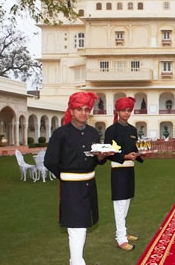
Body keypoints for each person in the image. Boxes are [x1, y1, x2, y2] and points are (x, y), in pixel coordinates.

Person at [44, 92, 111, 265]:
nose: (83, 113)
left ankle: (75, 260)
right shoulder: (61, 134)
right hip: (71, 187)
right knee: (76, 227)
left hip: (90, 185)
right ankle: (77, 261)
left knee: (83, 224)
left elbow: (96, 161)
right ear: (71, 111)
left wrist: (101, 157)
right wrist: (66, 177)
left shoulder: (93, 133)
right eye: (79, 109)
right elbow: (50, 161)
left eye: (87, 109)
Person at [104, 97, 145, 251]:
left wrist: (142, 155)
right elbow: (108, 153)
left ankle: (124, 232)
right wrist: (124, 157)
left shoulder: (132, 130)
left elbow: (135, 150)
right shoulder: (111, 130)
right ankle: (121, 239)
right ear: (118, 111)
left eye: (128, 110)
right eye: (123, 110)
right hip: (118, 170)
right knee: (120, 205)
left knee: (127, 202)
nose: (126, 113)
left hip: (130, 170)